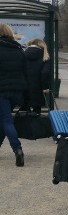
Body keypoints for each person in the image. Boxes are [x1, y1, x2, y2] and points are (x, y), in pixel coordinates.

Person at [0, 24, 27, 166]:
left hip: (2, 90)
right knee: (4, 119)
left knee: (6, 121)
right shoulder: (18, 49)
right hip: (16, 90)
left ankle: (17, 149)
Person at [21, 38, 51, 114]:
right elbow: (45, 73)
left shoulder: (22, 54)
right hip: (38, 87)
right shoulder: (45, 56)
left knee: (24, 111)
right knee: (37, 111)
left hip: (23, 87)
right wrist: (45, 87)